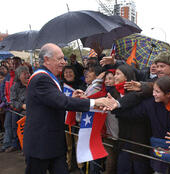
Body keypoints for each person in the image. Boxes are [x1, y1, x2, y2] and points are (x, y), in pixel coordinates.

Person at [23, 43, 109, 174]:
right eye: (60, 59)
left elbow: (54, 101)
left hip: (54, 144)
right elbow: (60, 102)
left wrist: (72, 97)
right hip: (40, 145)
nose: (64, 62)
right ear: (47, 59)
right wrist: (95, 102)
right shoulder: (41, 78)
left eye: (64, 59)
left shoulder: (49, 77)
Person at [9, 66, 30, 152]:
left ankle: (27, 148)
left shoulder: (32, 84)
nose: (27, 75)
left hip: (31, 112)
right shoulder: (15, 87)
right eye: (24, 74)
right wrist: (22, 106)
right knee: (16, 129)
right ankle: (18, 146)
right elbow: (12, 101)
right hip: (19, 112)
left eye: (28, 73)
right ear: (19, 76)